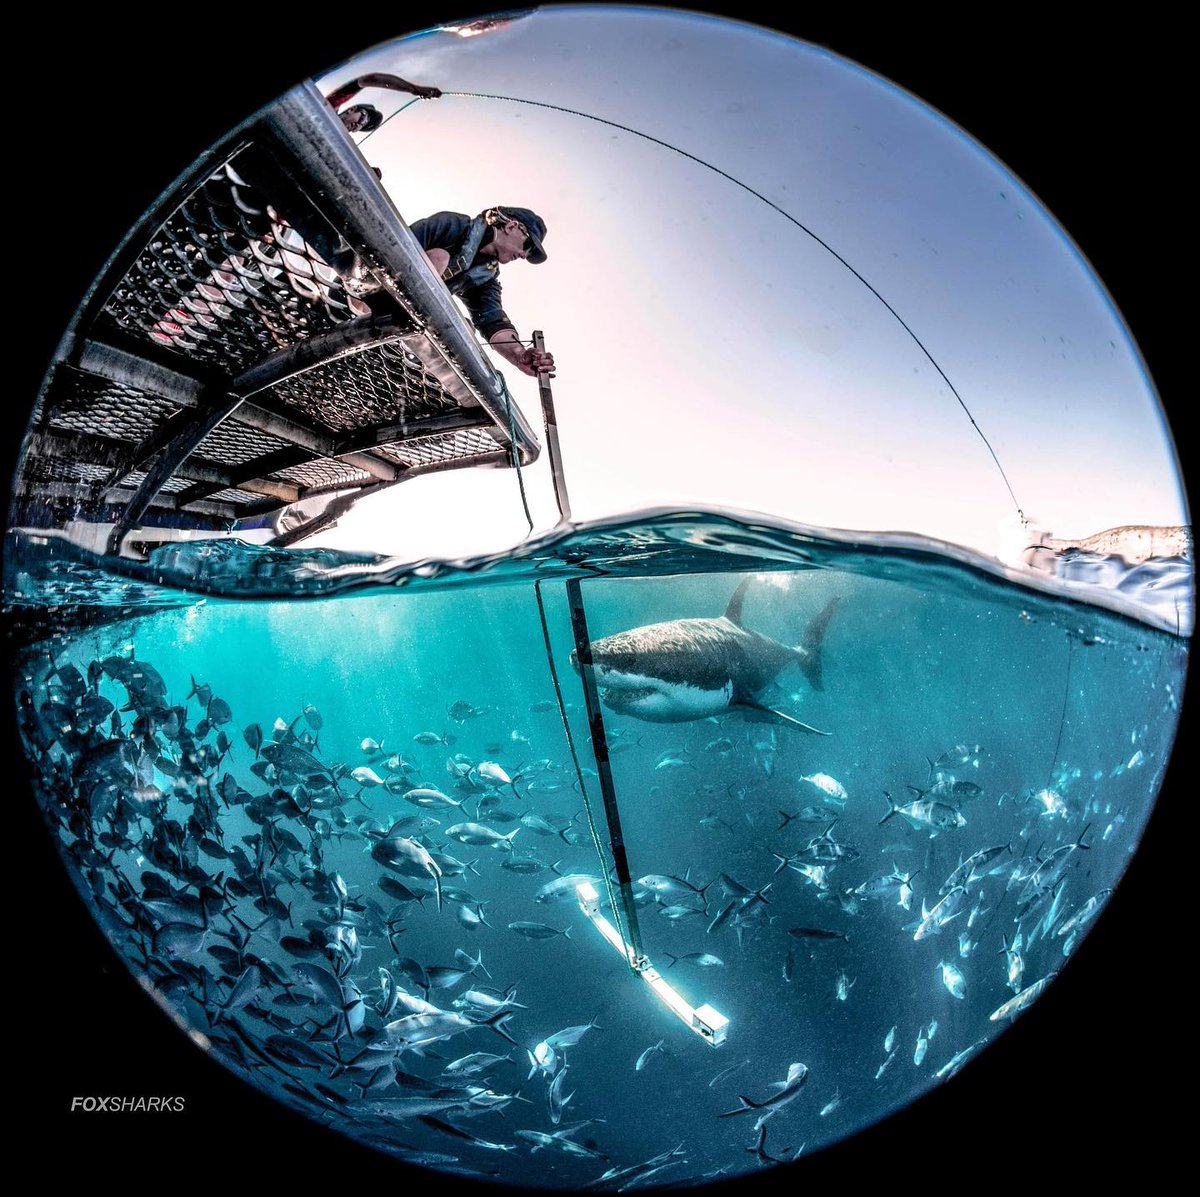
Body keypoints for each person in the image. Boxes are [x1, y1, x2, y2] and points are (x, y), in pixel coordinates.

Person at [409, 207, 556, 377]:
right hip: (378, 289)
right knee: (439, 258)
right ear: (511, 226)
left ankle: (416, 375)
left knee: (464, 328)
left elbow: (491, 320)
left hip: (410, 325)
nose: (524, 255)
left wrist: (519, 355)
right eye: (528, 246)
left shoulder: (486, 278)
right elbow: (395, 242)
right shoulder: (454, 225)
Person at [325, 71, 442, 134]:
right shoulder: (329, 108)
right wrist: (414, 89)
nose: (358, 125)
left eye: (361, 126)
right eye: (362, 119)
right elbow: (368, 80)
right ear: (352, 109)